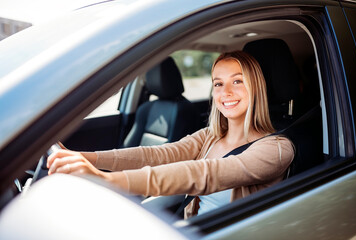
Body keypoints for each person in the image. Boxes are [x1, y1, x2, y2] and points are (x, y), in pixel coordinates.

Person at [47, 51, 294, 218]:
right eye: (218, 83)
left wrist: (107, 180)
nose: (225, 92)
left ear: (256, 87)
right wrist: (84, 157)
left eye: (237, 81)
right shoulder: (211, 135)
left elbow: (203, 174)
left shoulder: (277, 148)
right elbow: (160, 154)